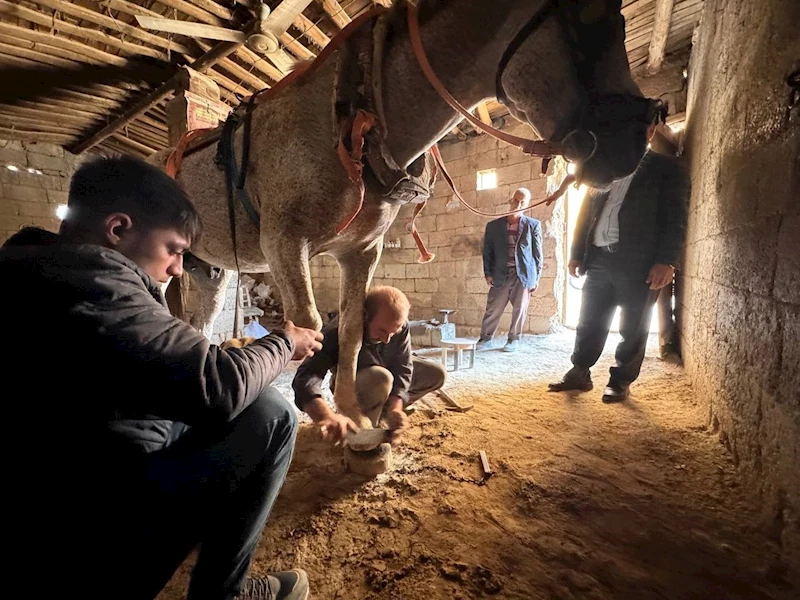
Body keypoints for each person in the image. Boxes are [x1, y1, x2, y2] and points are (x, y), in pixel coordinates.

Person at [0, 156, 323, 600]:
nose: (175, 268)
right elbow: (218, 386)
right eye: (172, 249)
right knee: (270, 413)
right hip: (87, 531)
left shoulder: (35, 268)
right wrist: (284, 341)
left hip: (66, 476)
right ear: (118, 229)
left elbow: (160, 363)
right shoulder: (96, 286)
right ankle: (221, 593)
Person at [549, 124, 690, 402]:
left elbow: (677, 218)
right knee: (589, 320)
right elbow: (585, 214)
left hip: (640, 262)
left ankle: (621, 380)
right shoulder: (604, 170)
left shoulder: (667, 168)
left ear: (649, 132)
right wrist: (577, 252)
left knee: (633, 325)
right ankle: (580, 371)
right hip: (599, 259)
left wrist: (666, 261)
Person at [292, 286, 446, 444]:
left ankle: (385, 414)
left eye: (393, 333)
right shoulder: (339, 330)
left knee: (436, 374)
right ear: (365, 316)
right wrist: (324, 415)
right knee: (380, 377)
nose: (387, 339)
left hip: (385, 374)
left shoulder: (398, 325)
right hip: (357, 385)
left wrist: (396, 406)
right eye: (382, 331)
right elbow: (306, 376)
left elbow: (403, 367)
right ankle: (363, 434)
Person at [476, 187, 544, 352]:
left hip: (524, 274)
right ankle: (486, 338)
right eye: (516, 200)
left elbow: (537, 254)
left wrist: (536, 278)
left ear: (527, 205)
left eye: (522, 202)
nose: (517, 204)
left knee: (520, 309)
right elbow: (487, 252)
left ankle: (513, 339)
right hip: (500, 272)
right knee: (493, 308)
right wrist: (488, 273)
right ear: (510, 200)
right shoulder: (493, 226)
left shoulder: (533, 225)